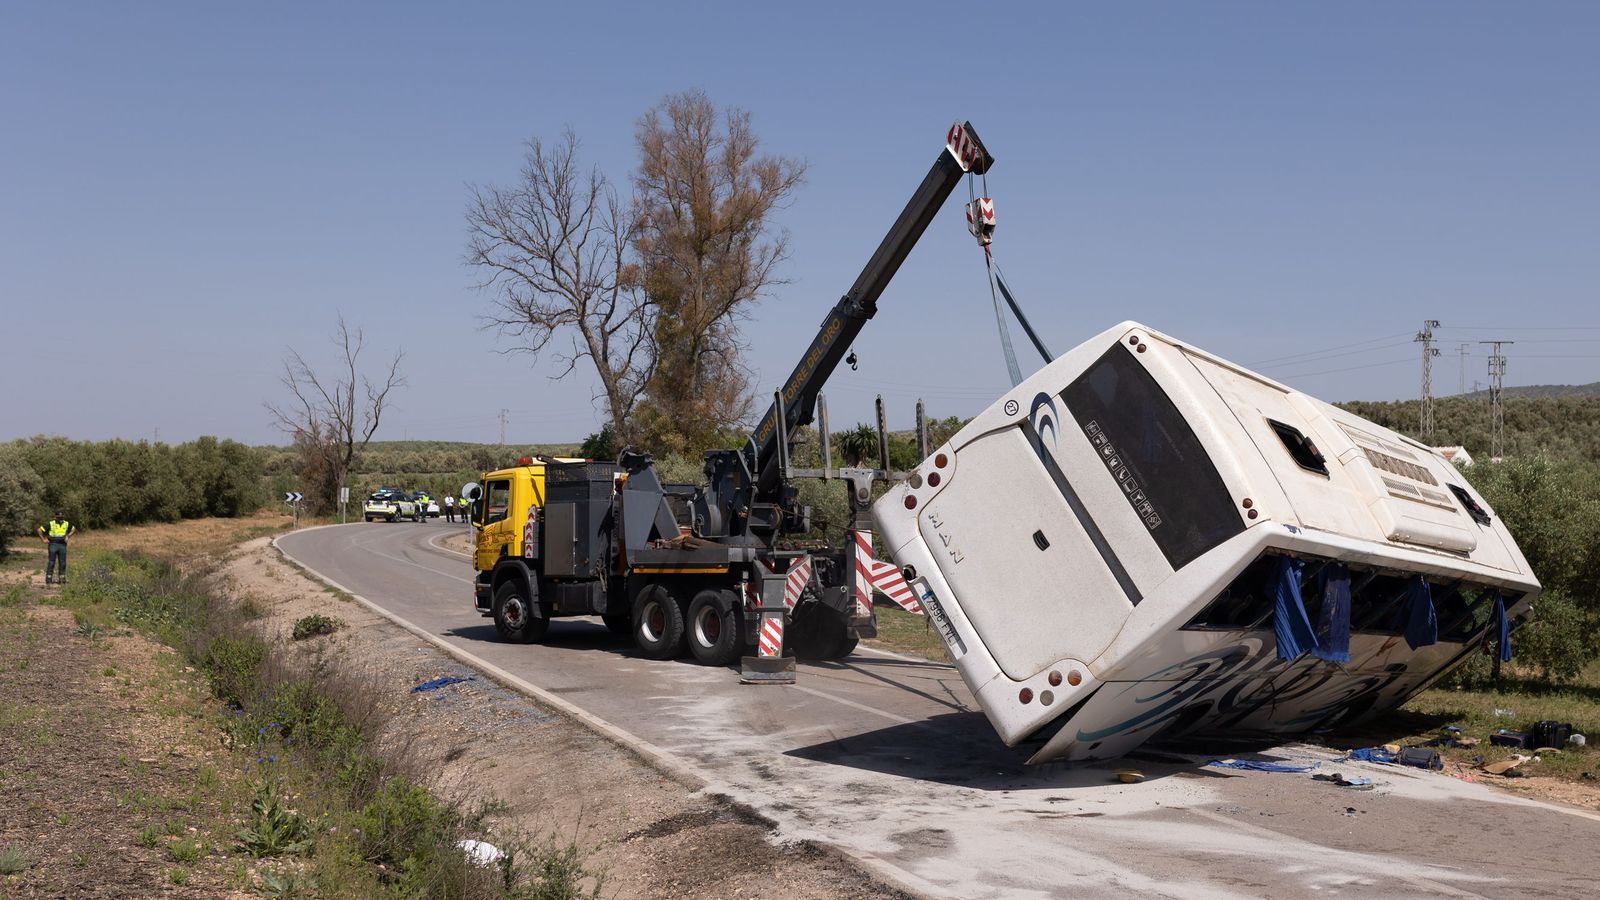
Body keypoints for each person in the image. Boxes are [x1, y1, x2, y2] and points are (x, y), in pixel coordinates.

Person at [37, 513, 75, 585]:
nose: (61, 519)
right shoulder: (51, 523)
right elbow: (39, 530)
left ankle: (62, 579)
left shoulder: (66, 523)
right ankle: (49, 579)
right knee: (51, 562)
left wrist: (68, 536)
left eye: (61, 517)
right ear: (55, 517)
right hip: (53, 544)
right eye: (59, 518)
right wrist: (43, 540)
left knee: (63, 562)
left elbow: (73, 529)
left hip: (62, 545)